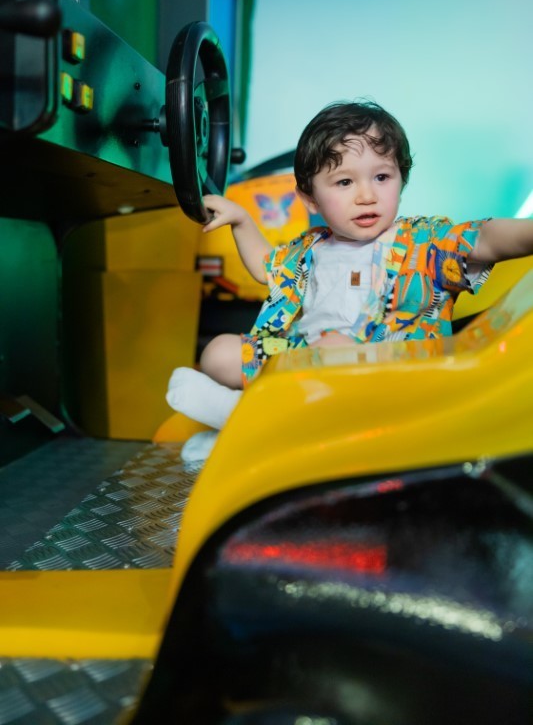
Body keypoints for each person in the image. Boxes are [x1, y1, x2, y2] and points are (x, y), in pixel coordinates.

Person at [168, 99, 533, 461]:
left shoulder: (423, 241)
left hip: (388, 375)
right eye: (344, 181)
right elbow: (267, 267)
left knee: (334, 348)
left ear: (401, 179)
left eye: (382, 177)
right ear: (310, 199)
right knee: (219, 353)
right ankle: (265, 420)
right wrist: (241, 220)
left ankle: (244, 419)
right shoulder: (312, 248)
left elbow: (484, 239)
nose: (367, 196)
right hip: (305, 360)